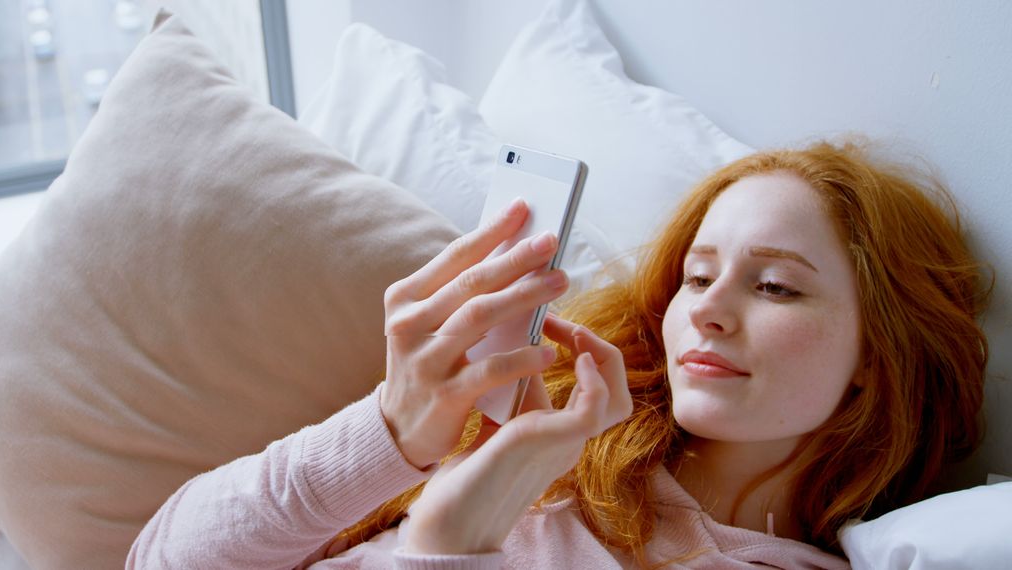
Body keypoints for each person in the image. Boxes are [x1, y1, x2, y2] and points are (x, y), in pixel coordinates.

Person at [127, 140, 990, 569]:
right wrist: (389, 435)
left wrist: (450, 533)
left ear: (878, 352)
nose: (709, 314)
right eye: (695, 277)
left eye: (775, 288)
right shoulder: (548, 442)